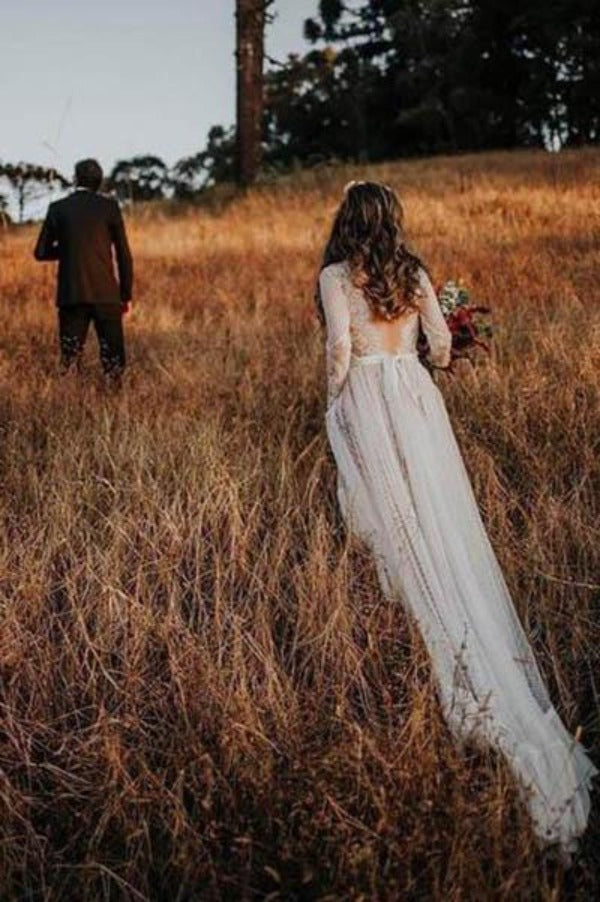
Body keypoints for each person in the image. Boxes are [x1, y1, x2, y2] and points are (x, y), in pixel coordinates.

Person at [317, 180, 596, 856]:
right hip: (415, 399)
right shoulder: (413, 271)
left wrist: (333, 406)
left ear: (346, 220)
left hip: (365, 398)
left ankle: (402, 606)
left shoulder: (333, 273)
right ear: (392, 220)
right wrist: (425, 354)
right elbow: (439, 348)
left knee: (390, 513)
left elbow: (337, 352)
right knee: (439, 509)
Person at [34, 158, 133, 379]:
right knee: (114, 363)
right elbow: (124, 256)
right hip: (106, 295)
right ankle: (114, 408)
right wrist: (126, 296)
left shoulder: (57, 208)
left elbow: (40, 252)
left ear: (75, 179)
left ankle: (71, 407)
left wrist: (69, 250)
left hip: (71, 294)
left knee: (70, 361)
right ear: (100, 182)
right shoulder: (110, 208)